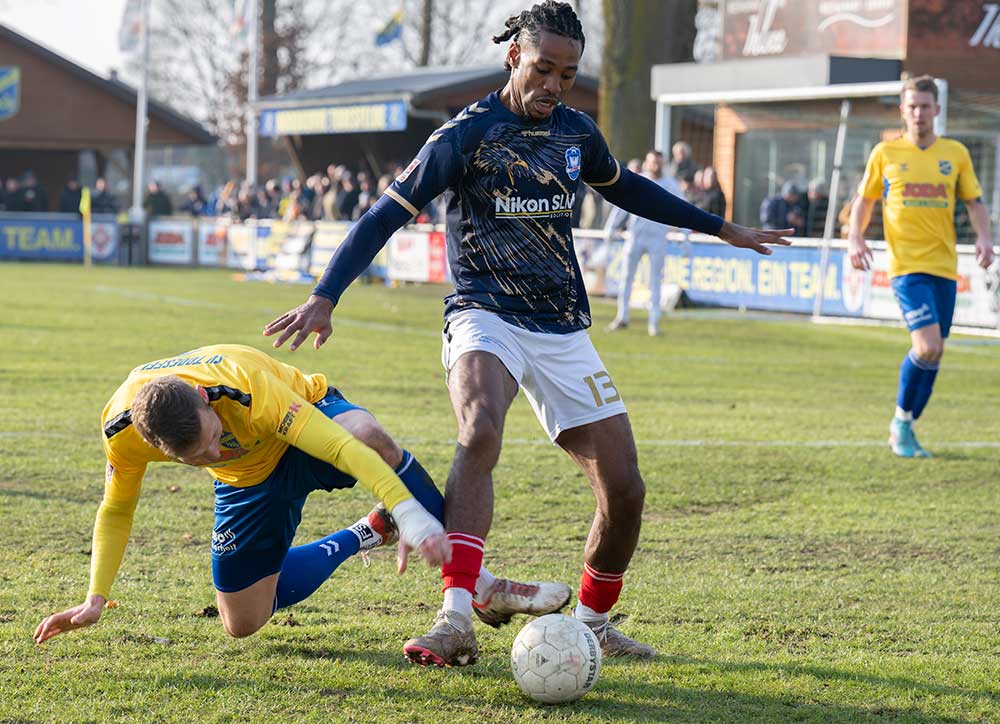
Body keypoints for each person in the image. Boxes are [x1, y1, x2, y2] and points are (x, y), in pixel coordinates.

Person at [262, 0, 790, 667]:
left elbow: (628, 190)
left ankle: (594, 626)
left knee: (625, 490)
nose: (554, 86)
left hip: (562, 328)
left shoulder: (576, 133)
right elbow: (383, 215)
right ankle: (455, 617)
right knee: (480, 427)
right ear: (515, 56)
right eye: (543, 69)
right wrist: (324, 295)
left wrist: (721, 227)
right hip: (483, 312)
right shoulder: (465, 134)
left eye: (567, 75)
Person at [34, 344, 567, 645]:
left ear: (203, 397)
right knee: (242, 621)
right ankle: (370, 531)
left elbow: (340, 447)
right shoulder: (121, 433)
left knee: (368, 437)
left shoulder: (243, 386)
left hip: (308, 418)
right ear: (155, 446)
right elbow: (116, 508)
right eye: (198, 459)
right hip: (251, 481)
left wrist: (414, 511)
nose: (215, 453)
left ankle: (472, 582)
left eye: (215, 438)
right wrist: (96, 596)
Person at [848, 75, 994, 458]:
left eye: (925, 106)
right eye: (912, 106)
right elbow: (864, 201)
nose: (918, 113)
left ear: (937, 110)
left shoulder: (955, 153)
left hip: (944, 267)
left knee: (936, 351)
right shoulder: (886, 153)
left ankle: (906, 425)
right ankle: (900, 424)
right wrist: (855, 237)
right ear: (903, 111)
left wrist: (983, 237)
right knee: (926, 344)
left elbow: (975, 202)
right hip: (906, 266)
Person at [606, 150, 681, 336]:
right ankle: (622, 316)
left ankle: (653, 322)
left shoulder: (670, 184)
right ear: (647, 163)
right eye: (653, 162)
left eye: (659, 163)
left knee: (656, 280)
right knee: (626, 277)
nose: (656, 166)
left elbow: (683, 205)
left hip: (658, 238)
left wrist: (686, 236)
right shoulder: (638, 179)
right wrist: (611, 226)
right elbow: (621, 204)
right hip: (636, 235)